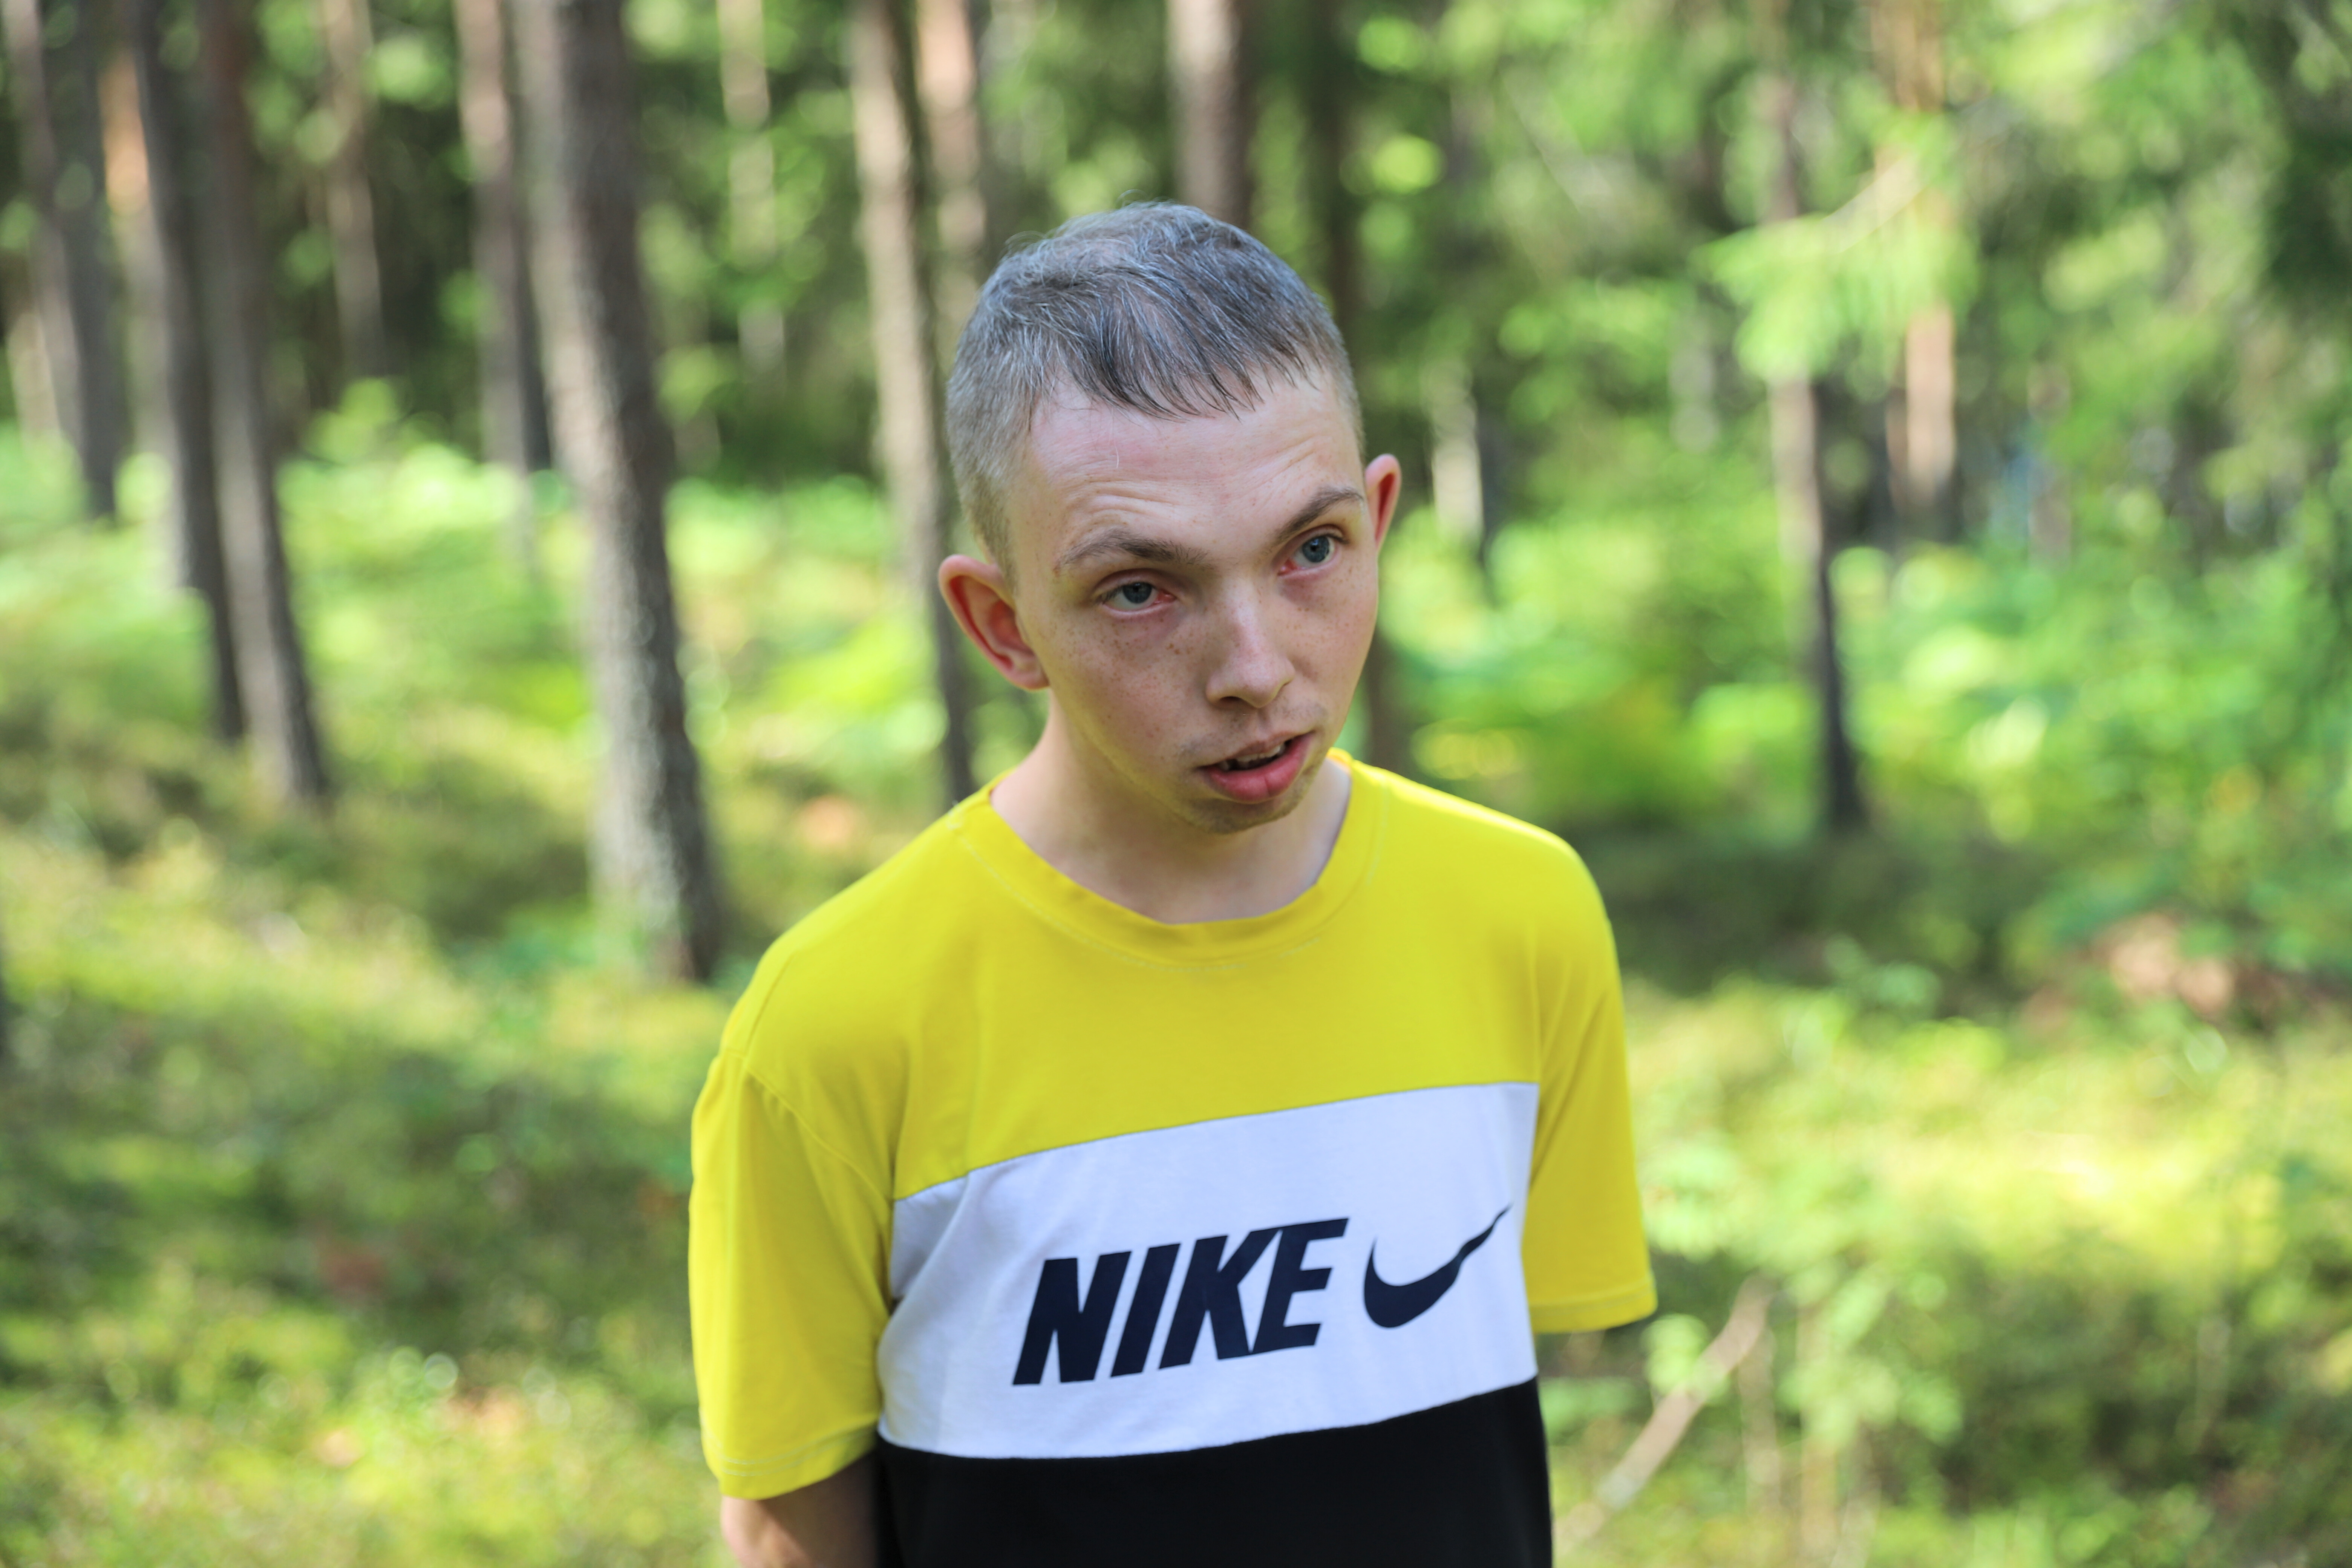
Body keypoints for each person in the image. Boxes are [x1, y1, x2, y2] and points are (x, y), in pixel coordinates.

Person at [689, 203, 1654, 1568]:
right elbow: (793, 1525)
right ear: (1003, 624)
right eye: (1145, 591)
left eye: (1310, 550)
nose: (1256, 666)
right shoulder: (836, 1022)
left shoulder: (1524, 916)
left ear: (1378, 520)